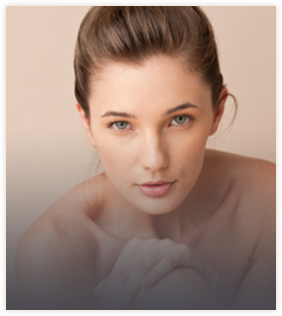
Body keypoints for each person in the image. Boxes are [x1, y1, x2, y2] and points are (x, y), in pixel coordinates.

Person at [16, 6, 275, 310]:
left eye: (179, 120)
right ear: (87, 123)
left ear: (217, 112)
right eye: (121, 124)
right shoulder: (51, 254)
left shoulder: (270, 204)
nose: (154, 160)